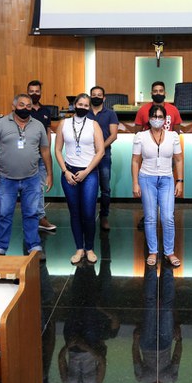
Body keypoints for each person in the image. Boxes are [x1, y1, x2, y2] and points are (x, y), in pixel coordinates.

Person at [0, 94, 53, 257]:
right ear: (14, 106)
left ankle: (34, 247)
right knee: (4, 214)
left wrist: (49, 174)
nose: (25, 108)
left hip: (32, 178)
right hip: (7, 179)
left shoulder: (38, 125)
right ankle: (0, 248)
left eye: (28, 106)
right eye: (21, 105)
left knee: (31, 214)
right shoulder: (0, 124)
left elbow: (45, 151)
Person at [55, 93, 105, 265]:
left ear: (89, 107)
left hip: (89, 173)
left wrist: (86, 171)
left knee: (89, 213)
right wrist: (65, 171)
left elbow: (100, 151)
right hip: (69, 173)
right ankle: (79, 248)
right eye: (80, 104)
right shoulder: (64, 123)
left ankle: (89, 248)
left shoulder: (93, 125)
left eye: (86, 105)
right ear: (74, 105)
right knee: (75, 212)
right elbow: (57, 149)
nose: (82, 107)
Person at [132, 104, 184, 267]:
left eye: (160, 117)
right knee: (150, 217)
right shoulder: (140, 136)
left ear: (165, 119)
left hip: (167, 179)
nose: (157, 119)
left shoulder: (173, 136)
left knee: (168, 217)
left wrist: (180, 181)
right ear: (149, 119)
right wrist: (135, 183)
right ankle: (153, 252)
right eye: (154, 116)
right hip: (147, 179)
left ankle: (169, 252)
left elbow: (179, 159)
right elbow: (135, 161)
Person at [87, 86, 119, 231]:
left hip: (104, 156)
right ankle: (88, 216)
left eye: (99, 95)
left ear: (104, 98)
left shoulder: (110, 114)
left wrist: (100, 149)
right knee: (88, 187)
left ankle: (104, 216)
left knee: (105, 188)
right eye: (94, 95)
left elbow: (113, 135)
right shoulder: (84, 112)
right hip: (86, 156)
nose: (96, 97)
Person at [28, 79, 57, 233]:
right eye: (31, 91)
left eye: (37, 91)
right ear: (27, 93)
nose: (34, 94)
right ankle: (32, 217)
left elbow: (48, 132)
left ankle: (40, 217)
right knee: (29, 188)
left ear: (40, 93)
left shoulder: (45, 111)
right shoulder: (24, 110)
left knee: (39, 187)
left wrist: (47, 149)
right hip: (27, 156)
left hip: (42, 154)